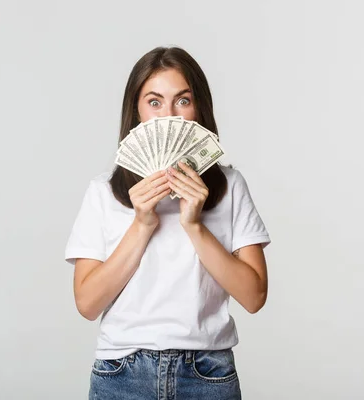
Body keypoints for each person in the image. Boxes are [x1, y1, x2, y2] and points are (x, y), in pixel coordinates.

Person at [65, 45, 270, 400]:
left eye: (183, 100)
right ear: (137, 111)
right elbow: (87, 303)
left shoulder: (230, 186)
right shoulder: (102, 192)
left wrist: (194, 225)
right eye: (155, 101)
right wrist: (142, 224)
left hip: (208, 372)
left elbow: (254, 297)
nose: (169, 115)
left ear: (199, 108)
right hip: (122, 372)